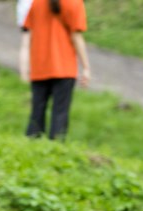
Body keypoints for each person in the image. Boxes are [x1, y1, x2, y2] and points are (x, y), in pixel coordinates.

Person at [21, 0, 91, 140]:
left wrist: (24, 67)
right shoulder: (74, 3)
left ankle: (31, 144)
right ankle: (56, 147)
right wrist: (86, 67)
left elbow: (28, 36)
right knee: (60, 113)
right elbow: (76, 36)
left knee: (37, 111)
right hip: (64, 66)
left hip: (39, 65)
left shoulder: (36, 3)